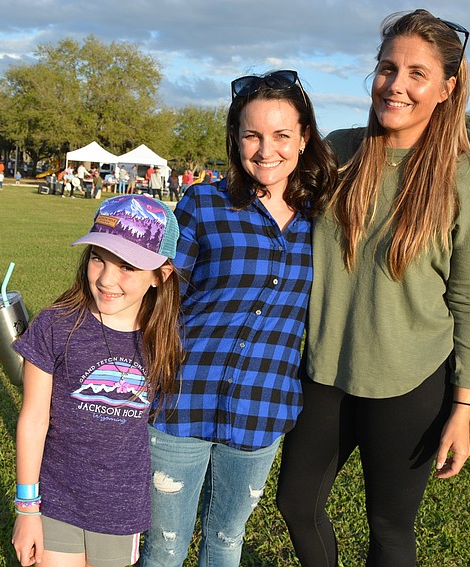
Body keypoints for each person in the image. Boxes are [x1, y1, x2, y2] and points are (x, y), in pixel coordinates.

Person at [276, 10, 470, 567]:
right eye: (386, 67)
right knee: (296, 503)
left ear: (447, 88)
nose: (395, 85)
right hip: (326, 371)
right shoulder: (338, 151)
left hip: (410, 380)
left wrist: (462, 409)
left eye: (416, 74)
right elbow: (272, 204)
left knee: (390, 527)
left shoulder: (466, 179)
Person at [139, 69, 337, 567]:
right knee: (164, 547)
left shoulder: (326, 218)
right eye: (252, 134)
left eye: (281, 135)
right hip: (180, 400)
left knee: (226, 542)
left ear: (304, 138)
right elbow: (153, 289)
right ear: (236, 138)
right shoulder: (203, 203)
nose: (265, 149)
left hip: (262, 409)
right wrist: (65, 331)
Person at [11, 194, 183, 567]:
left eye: (127, 267)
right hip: (56, 499)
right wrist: (27, 509)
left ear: (160, 276)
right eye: (98, 259)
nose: (106, 279)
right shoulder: (55, 325)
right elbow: (33, 420)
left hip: (121, 510)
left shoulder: (162, 337)